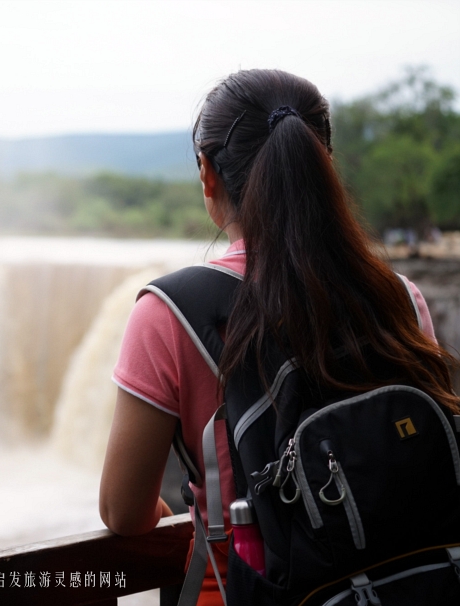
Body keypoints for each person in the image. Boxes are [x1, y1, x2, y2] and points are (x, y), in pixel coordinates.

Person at [98, 69, 460, 605]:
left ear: (207, 175)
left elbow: (122, 511)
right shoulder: (398, 296)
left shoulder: (171, 313)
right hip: (417, 587)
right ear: (324, 164)